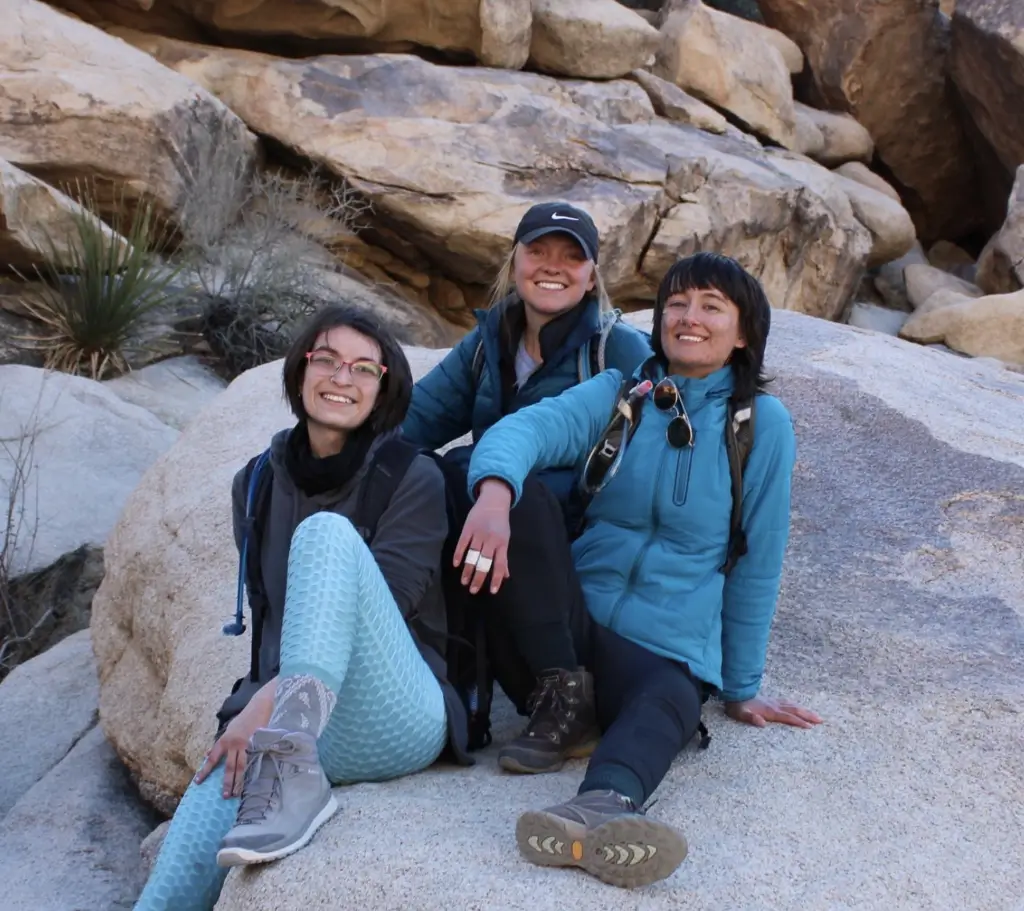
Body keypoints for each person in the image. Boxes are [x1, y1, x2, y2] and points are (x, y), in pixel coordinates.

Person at [455, 252, 823, 889]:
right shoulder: (619, 394)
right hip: (561, 641)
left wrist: (740, 687)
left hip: (661, 644)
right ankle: (565, 706)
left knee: (672, 697)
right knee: (530, 496)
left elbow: (758, 560)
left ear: (743, 334)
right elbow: (525, 432)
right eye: (677, 303)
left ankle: (599, 809)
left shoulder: (761, 426)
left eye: (712, 306)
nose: (689, 318)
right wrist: (492, 493)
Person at [134, 305, 470, 911]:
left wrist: (263, 707)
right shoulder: (256, 482)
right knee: (202, 809)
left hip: (397, 707)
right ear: (299, 372)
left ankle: (290, 761)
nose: (343, 378)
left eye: (365, 369)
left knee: (324, 536)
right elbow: (272, 622)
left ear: (384, 391)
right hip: (306, 721)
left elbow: (387, 609)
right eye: (328, 360)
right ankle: (285, 757)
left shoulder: (412, 476)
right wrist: (246, 713)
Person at [401, 201, 652, 771]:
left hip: (573, 535)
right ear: (515, 260)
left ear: (592, 275)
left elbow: (659, 444)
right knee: (432, 477)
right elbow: (414, 421)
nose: (552, 266)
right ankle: (461, 684)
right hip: (495, 529)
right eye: (538, 251)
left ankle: (565, 693)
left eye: (571, 257)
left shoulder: (615, 349)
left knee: (506, 483)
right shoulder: (491, 339)